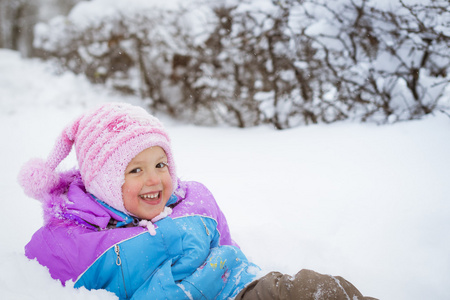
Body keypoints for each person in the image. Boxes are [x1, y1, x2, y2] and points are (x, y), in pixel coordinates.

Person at [18, 102, 375, 300]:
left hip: (240, 290)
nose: (155, 178)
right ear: (104, 182)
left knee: (312, 289)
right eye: (136, 170)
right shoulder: (77, 238)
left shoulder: (195, 200)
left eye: (160, 164)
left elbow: (227, 245)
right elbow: (34, 278)